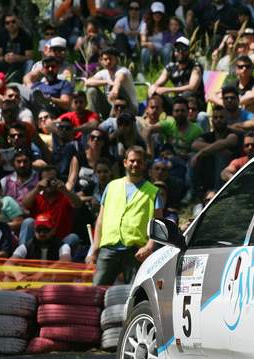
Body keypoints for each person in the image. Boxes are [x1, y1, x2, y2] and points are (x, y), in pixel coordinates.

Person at [87, 147, 162, 285]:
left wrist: (149, 247)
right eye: (132, 161)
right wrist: (95, 248)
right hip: (108, 248)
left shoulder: (153, 191)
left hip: (135, 251)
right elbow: (101, 220)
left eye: (139, 161)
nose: (135, 164)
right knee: (97, 291)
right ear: (125, 162)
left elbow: (157, 224)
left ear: (144, 165)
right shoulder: (111, 186)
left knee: (132, 293)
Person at [20, 166, 82, 248]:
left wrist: (64, 190)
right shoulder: (37, 197)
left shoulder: (65, 197)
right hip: (38, 240)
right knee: (28, 222)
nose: (49, 183)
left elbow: (78, 204)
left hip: (59, 243)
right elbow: (25, 204)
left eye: (52, 180)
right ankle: (22, 252)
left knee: (73, 238)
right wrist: (38, 188)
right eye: (46, 180)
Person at [84, 46, 137, 118]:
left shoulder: (123, 70)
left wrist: (115, 89)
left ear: (116, 60)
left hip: (129, 108)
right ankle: (93, 119)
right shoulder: (103, 73)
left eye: (110, 59)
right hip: (110, 107)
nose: (108, 61)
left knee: (116, 88)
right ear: (101, 61)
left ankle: (114, 118)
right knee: (91, 90)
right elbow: (87, 82)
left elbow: (118, 81)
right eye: (105, 59)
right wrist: (106, 81)